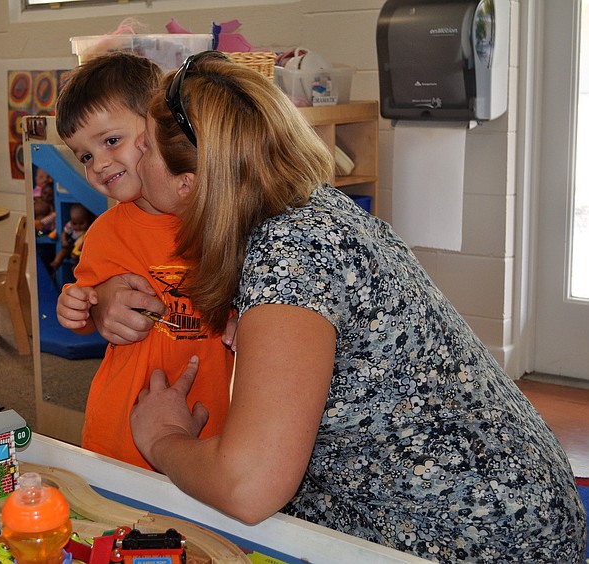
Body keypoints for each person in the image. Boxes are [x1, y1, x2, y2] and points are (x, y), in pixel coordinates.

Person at [89, 51, 586, 561]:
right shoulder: (304, 202)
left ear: (188, 183)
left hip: (485, 536)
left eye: (144, 146)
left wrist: (164, 439)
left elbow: (248, 488)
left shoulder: (291, 257)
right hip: (519, 492)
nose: (130, 160)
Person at [53, 51, 234, 470]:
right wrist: (83, 307)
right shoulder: (105, 232)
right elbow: (89, 310)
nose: (98, 164)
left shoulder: (219, 221)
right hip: (123, 425)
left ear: (157, 126)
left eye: (110, 141)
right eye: (84, 156)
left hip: (211, 418)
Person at [49, 203, 95, 273]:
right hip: (71, 244)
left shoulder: (88, 229)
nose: (78, 226)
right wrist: (64, 240)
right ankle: (56, 262)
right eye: (74, 223)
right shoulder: (70, 225)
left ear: (88, 220)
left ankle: (76, 267)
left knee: (80, 258)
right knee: (63, 252)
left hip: (81, 248)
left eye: (81, 223)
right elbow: (64, 232)